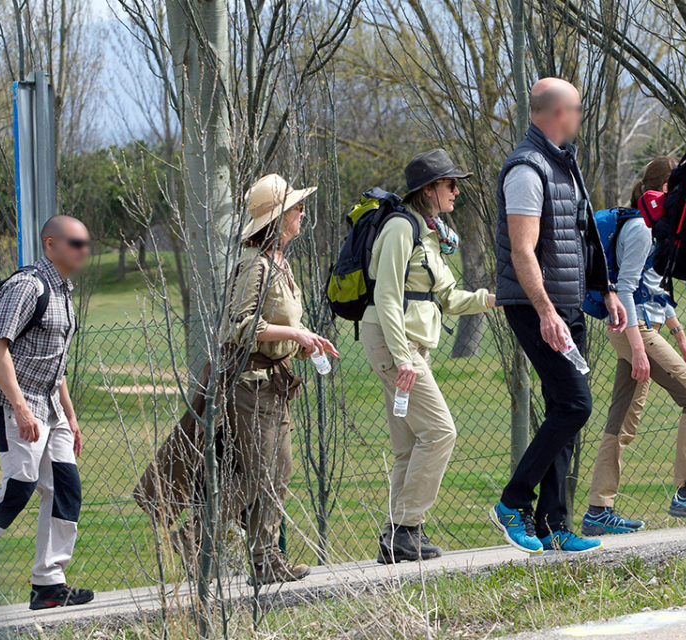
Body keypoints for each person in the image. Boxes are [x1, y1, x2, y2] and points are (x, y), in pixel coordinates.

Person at [490, 78, 627, 554]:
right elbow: (524, 251)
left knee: (563, 412)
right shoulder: (527, 169)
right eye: (576, 111)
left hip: (567, 305)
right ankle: (512, 501)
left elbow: (583, 233)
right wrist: (546, 311)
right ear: (556, 113)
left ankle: (553, 525)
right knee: (575, 405)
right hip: (535, 308)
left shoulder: (563, 163)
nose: (580, 119)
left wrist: (604, 288)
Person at [362, 149, 494, 563]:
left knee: (409, 444)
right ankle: (407, 527)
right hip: (393, 343)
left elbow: (449, 298)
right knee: (440, 432)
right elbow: (385, 294)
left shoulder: (428, 232)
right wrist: (403, 357)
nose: (456, 190)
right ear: (429, 189)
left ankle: (394, 538)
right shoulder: (402, 228)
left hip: (408, 344)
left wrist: (492, 299)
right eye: (450, 183)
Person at [0, 216, 92, 612]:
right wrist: (20, 408)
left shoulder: (63, 290)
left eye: (86, 243)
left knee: (65, 488)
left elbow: (55, 363)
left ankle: (49, 584)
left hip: (50, 404)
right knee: (19, 485)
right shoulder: (26, 286)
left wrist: (70, 416)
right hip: (14, 401)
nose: (84, 250)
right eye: (75, 242)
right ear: (50, 243)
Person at [580, 158, 686, 537]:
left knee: (621, 423)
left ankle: (598, 510)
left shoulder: (654, 228)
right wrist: (638, 349)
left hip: (640, 326)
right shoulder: (639, 229)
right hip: (634, 329)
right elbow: (624, 290)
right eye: (681, 189)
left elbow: (652, 289)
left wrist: (680, 333)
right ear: (666, 190)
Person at [221, 174, 338, 584]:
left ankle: (265, 557)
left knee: (278, 472)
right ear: (276, 219)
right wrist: (294, 334)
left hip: (276, 382)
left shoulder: (278, 262)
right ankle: (247, 555)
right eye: (296, 209)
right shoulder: (253, 264)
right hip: (251, 385)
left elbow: (278, 323)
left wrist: (302, 344)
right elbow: (237, 327)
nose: (303, 214)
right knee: (262, 475)